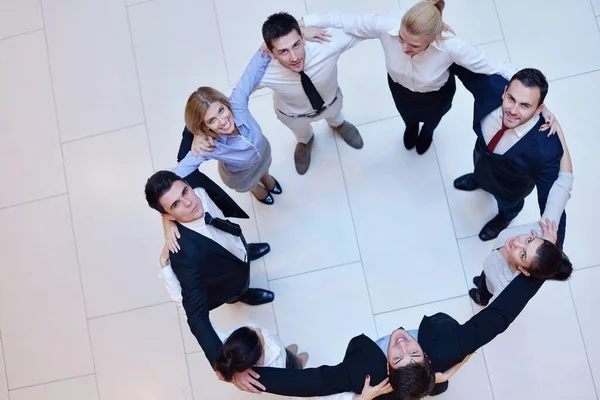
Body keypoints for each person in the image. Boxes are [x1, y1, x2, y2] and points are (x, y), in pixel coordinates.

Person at [299, 1, 555, 155]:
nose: (403, 47)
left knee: (431, 121)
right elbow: (345, 20)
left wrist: (536, 104)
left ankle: (427, 133)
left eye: (413, 45)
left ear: (434, 38)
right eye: (401, 38)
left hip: (436, 95)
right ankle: (411, 128)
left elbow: (496, 66)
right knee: (407, 118)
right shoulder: (385, 25)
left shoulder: (453, 46)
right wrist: (301, 23)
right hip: (399, 89)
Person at [236, 272, 543, 399]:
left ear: (387, 367)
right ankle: (432, 386)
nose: (403, 343)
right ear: (427, 358)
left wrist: (244, 375)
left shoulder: (363, 374)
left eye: (398, 357)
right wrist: (542, 268)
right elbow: (497, 318)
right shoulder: (449, 349)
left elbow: (312, 383)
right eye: (414, 352)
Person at [189, 12, 365, 175]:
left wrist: (303, 26)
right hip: (294, 115)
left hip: (331, 101)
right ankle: (305, 141)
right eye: (282, 51)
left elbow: (364, 25)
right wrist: (197, 132)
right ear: (271, 52)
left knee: (335, 115)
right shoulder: (266, 71)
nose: (294, 58)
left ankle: (338, 124)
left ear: (301, 38)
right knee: (301, 133)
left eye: (296, 45)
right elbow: (229, 96)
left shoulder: (325, 45)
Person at [144, 170, 274, 374]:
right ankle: (243, 295)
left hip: (233, 242)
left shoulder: (194, 182)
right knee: (238, 290)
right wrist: (221, 365)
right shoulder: (183, 255)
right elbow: (196, 317)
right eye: (176, 205)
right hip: (228, 280)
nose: (188, 203)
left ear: (187, 183)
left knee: (242, 249)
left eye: (185, 192)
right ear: (168, 215)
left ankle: (246, 252)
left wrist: (166, 223)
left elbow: (190, 138)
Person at [452, 66, 567, 242]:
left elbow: (553, 201)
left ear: (538, 109)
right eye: (511, 99)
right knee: (480, 170)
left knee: (509, 205)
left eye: (525, 105)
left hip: (510, 188)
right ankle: (478, 179)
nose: (513, 111)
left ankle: (505, 217)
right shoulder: (490, 88)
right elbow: (457, 61)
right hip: (482, 157)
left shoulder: (546, 148)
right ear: (504, 91)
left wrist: (553, 252)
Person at [469, 122, 573, 305]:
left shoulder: (506, 284)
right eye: (528, 240)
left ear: (525, 271)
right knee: (484, 276)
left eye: (523, 254)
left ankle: (481, 295)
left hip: (493, 280)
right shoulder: (543, 232)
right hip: (491, 263)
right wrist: (559, 133)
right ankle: (482, 281)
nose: (516, 243)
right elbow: (564, 183)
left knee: (485, 290)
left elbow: (500, 312)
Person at [158, 257, 309, 374]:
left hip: (277, 351)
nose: (258, 330)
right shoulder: (270, 372)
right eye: (258, 336)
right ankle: (297, 362)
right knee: (293, 365)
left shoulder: (223, 344)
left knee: (283, 349)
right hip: (284, 366)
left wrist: (166, 270)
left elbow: (187, 308)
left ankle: (287, 352)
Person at [173, 49, 281, 205]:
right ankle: (255, 189)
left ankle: (266, 177)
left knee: (265, 169)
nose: (223, 121)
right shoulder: (207, 145)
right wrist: (165, 203)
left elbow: (251, 71)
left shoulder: (237, 103)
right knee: (250, 184)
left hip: (262, 152)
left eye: (221, 110)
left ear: (225, 103)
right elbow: (179, 172)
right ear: (204, 126)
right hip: (242, 175)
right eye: (212, 120)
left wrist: (270, 43)